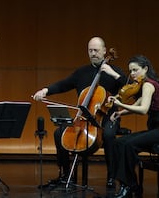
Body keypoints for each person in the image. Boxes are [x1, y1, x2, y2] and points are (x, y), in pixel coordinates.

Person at [32, 36, 127, 188]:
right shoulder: (82, 72)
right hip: (83, 117)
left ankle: (111, 176)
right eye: (90, 50)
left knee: (109, 135)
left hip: (108, 116)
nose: (93, 53)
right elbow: (64, 84)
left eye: (96, 50)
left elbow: (127, 86)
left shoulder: (115, 71)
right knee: (59, 133)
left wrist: (112, 72)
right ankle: (65, 173)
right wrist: (45, 90)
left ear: (104, 51)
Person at [108, 55, 159, 198]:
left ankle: (130, 186)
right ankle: (128, 184)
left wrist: (119, 104)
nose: (132, 74)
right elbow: (135, 105)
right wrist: (120, 113)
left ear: (145, 69)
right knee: (118, 142)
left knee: (129, 145)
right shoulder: (143, 85)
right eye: (130, 71)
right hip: (155, 129)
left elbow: (143, 110)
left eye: (135, 70)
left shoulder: (148, 85)